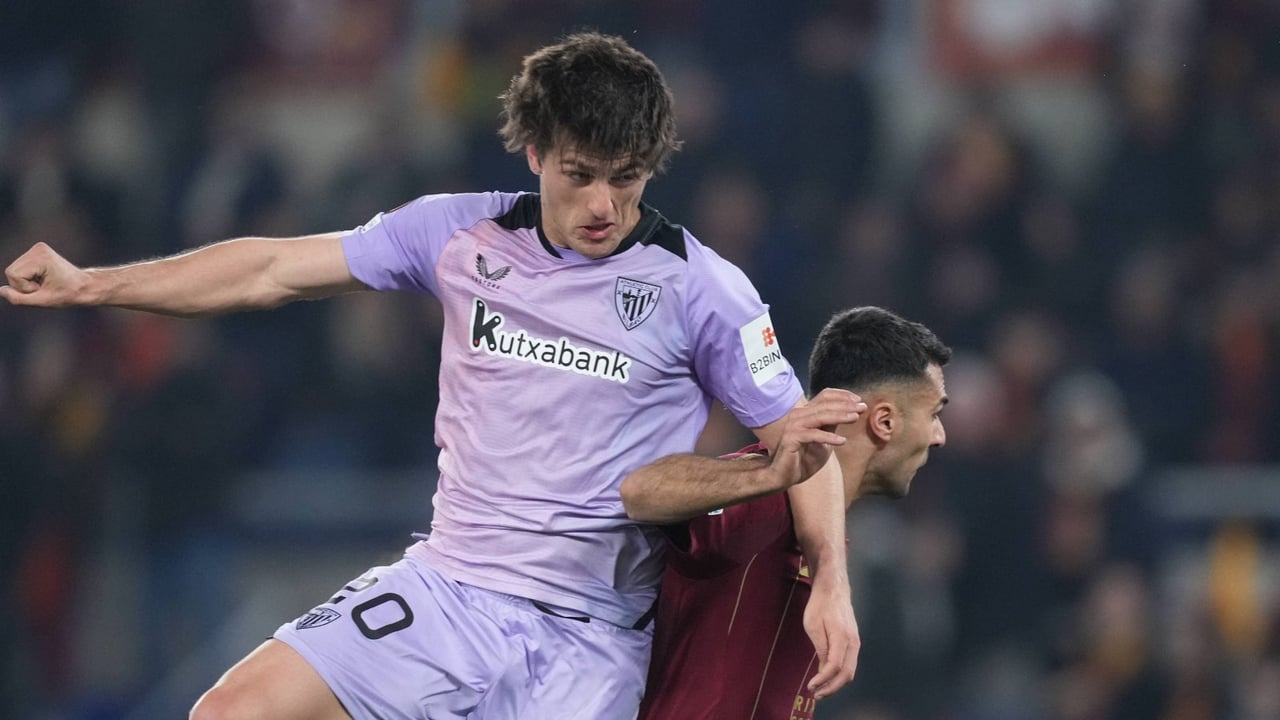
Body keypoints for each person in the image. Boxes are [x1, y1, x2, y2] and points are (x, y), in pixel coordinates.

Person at [1, 32, 863, 720]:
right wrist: (92, 285)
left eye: (626, 178)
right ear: (535, 152)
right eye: (581, 175)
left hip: (590, 638)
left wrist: (830, 580)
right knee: (232, 711)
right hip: (448, 590)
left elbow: (802, 446)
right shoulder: (457, 235)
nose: (605, 205)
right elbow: (270, 268)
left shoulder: (703, 287)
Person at [622, 306, 951, 719]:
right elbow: (639, 490)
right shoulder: (769, 497)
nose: (940, 436)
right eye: (934, 414)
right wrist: (771, 475)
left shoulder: (827, 539)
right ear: (884, 421)